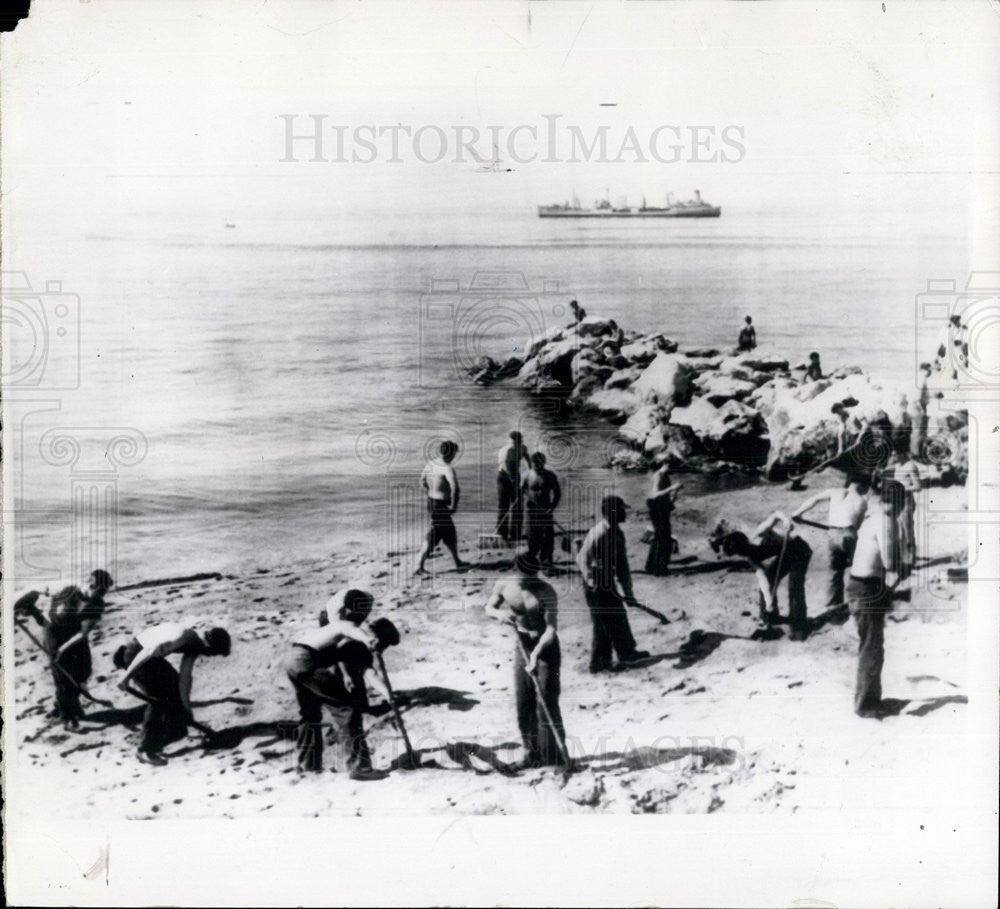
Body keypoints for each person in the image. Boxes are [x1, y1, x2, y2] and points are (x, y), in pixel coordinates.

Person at [284, 589, 400, 777]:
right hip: (307, 661)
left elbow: (365, 670)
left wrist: (387, 693)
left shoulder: (333, 627)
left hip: (293, 658)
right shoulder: (346, 627)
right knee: (347, 709)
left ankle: (307, 764)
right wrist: (369, 639)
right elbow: (367, 668)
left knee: (309, 713)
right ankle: (359, 768)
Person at [484, 554, 566, 769]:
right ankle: (531, 753)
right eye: (524, 577)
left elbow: (551, 628)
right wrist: (498, 615)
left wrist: (537, 652)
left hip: (546, 648)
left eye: (532, 576)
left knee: (547, 701)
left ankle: (555, 757)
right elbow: (488, 607)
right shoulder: (504, 585)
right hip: (522, 646)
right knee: (524, 701)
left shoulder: (546, 591)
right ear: (516, 569)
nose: (528, 580)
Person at [114, 621, 231, 765]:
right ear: (208, 645)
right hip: (137, 654)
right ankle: (146, 749)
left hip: (151, 658)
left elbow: (185, 678)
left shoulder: (196, 645)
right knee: (159, 697)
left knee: (173, 686)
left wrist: (186, 708)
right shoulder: (182, 636)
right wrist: (126, 677)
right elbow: (149, 651)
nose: (207, 655)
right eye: (210, 653)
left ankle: (176, 730)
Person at [14, 568, 114, 729]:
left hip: (74, 634)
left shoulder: (97, 603)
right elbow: (35, 590)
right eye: (98, 590)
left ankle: (64, 704)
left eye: (103, 592)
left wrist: (64, 648)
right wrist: (16, 605)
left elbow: (83, 633)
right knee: (62, 673)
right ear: (90, 583)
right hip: (52, 629)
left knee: (83, 671)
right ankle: (67, 717)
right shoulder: (66, 588)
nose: (100, 595)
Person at [847, 480, 904, 717]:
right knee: (871, 648)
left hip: (861, 585)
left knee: (870, 645)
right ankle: (866, 706)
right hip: (866, 588)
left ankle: (870, 699)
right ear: (901, 502)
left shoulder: (874, 515)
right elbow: (890, 562)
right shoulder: (886, 521)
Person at [709, 512, 813, 641]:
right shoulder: (749, 557)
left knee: (794, 586)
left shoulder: (760, 533)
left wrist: (786, 520)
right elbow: (762, 579)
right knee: (769, 579)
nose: (747, 553)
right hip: (786, 555)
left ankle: (798, 626)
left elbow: (776, 514)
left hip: (800, 550)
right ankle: (770, 618)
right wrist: (769, 601)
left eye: (746, 549)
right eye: (742, 553)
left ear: (747, 542)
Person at [577, 495, 650, 672]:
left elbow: (622, 565)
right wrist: (592, 582)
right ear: (613, 513)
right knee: (603, 623)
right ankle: (599, 664)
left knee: (618, 616)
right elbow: (581, 559)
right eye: (622, 510)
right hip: (595, 583)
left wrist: (628, 592)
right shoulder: (599, 533)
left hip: (607, 580)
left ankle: (627, 653)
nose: (626, 513)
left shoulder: (618, 533)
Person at [791, 474, 870, 608]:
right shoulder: (862, 501)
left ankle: (833, 604)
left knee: (834, 570)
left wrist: (798, 513)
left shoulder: (835, 492)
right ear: (861, 485)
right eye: (866, 487)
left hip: (833, 534)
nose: (867, 491)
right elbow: (858, 526)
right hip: (849, 534)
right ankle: (861, 601)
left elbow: (814, 499)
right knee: (858, 568)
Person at [416, 439, 469, 574]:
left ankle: (457, 561)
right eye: (454, 454)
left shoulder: (431, 464)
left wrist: (429, 491)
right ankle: (418, 566)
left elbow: (421, 481)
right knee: (434, 535)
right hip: (440, 506)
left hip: (432, 502)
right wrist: (454, 505)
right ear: (451, 454)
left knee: (450, 533)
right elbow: (455, 488)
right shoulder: (447, 468)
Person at [522, 451, 561, 568]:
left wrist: (552, 507)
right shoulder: (527, 475)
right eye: (534, 464)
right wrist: (525, 497)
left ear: (543, 463)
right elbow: (521, 490)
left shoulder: (550, 475)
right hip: (531, 511)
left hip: (545, 510)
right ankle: (532, 560)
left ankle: (546, 561)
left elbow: (557, 493)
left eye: (539, 464)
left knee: (547, 537)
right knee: (532, 535)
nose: (536, 466)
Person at [644, 465, 682, 577]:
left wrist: (675, 492)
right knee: (663, 539)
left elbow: (666, 498)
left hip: (661, 507)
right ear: (665, 464)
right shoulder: (659, 475)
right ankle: (660, 570)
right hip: (657, 508)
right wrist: (672, 488)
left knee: (660, 537)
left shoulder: (664, 475)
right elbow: (654, 495)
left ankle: (651, 566)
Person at [888, 452, 920, 578]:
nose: (893, 456)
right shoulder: (897, 466)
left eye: (895, 454)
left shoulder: (911, 466)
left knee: (907, 531)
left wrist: (902, 489)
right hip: (896, 501)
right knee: (898, 531)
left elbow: (918, 486)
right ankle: (902, 558)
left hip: (906, 501)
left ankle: (911, 560)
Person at [496, 431, 531, 544]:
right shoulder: (504, 451)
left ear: (520, 441)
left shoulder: (523, 448)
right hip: (504, 478)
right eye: (512, 443)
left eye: (516, 443)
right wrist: (512, 478)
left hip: (516, 476)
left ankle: (516, 533)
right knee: (504, 506)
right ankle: (502, 532)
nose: (514, 446)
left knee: (518, 505)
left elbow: (528, 459)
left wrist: (530, 472)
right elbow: (504, 466)